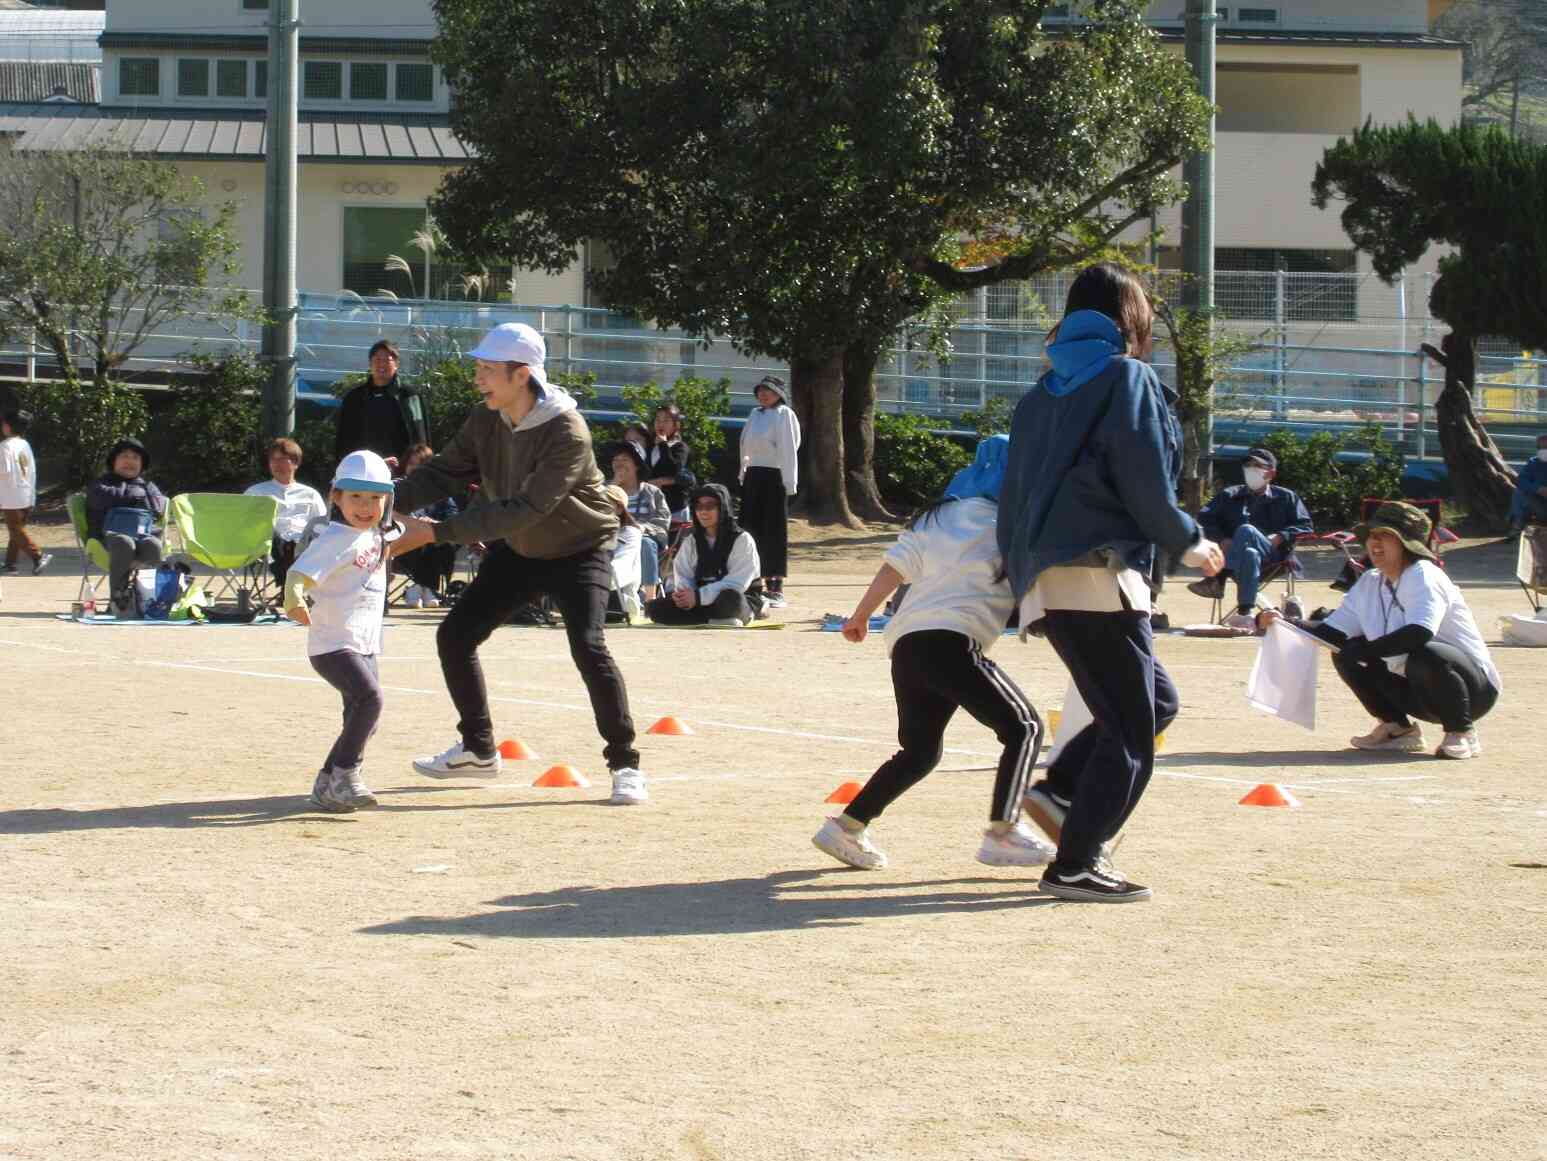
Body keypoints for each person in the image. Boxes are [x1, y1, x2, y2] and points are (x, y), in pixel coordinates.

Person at [999, 263, 1224, 904]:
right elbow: (1142, 475)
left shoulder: (1043, 392)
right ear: (1130, 317)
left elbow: (1014, 489)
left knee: (1155, 704)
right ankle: (1075, 862)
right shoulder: (1128, 377)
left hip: (1049, 574)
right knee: (1132, 730)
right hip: (1101, 571)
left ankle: (1063, 791)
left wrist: (1017, 572)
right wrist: (1187, 537)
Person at [391, 322, 648, 805]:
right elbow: (444, 473)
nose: (479, 378)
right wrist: (379, 502)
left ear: (522, 374)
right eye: (479, 369)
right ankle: (478, 748)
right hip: (522, 549)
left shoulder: (567, 431)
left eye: (488, 370)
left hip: (580, 548)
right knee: (455, 635)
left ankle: (625, 763)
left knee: (589, 647)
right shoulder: (485, 418)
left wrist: (434, 532)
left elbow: (529, 507)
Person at [813, 435, 1055, 871]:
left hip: (907, 645)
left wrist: (860, 615)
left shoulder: (934, 517)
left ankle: (847, 825)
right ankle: (1004, 831)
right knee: (1024, 727)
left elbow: (894, 567)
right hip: (953, 642)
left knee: (920, 752)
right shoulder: (1011, 523)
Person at [1259, 501, 1500, 760]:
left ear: (1406, 543)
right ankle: (1398, 729)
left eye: (1385, 536)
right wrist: (1282, 621)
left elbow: (1418, 633)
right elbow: (1333, 632)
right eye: (1372, 536)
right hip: (1419, 691)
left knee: (1425, 653)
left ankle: (1462, 732)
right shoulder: (1370, 581)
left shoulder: (1425, 575)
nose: (1374, 543)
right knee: (1343, 652)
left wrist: (1365, 650)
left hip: (1474, 692)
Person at [283, 450, 399, 812]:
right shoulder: (334, 537)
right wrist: (293, 599)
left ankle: (326, 783)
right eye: (355, 497)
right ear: (336, 497)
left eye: (375, 498)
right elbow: (298, 573)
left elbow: (403, 530)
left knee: (363, 719)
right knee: (371, 700)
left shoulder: (374, 534)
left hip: (364, 644)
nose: (365, 507)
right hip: (333, 644)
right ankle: (346, 777)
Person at [1190, 446, 1313, 627]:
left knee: (1246, 530)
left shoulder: (1287, 497)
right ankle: (1245, 613)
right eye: (1248, 465)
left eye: (1257, 465)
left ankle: (1218, 579)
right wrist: (1221, 538)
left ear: (1270, 473)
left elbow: (1306, 525)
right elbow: (1204, 519)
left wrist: (1281, 535)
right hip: (1239, 558)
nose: (1250, 469)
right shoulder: (1229, 495)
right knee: (1249, 553)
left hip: (1274, 555)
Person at [645, 484, 762, 626]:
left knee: (731, 600)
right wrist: (685, 596)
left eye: (710, 506)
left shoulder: (742, 539)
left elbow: (737, 583)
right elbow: (682, 574)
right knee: (655, 608)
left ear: (722, 508)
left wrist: (699, 597)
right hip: (697, 601)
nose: (703, 512)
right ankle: (714, 620)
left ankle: (725, 617)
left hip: (733, 598)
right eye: (699, 507)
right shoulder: (691, 541)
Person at [86, 437, 168, 618]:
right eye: (124, 456)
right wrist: (132, 495)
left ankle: (144, 598)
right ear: (114, 461)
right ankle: (118, 599)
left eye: (135, 458)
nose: (130, 461)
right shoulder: (101, 484)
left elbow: (159, 509)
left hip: (141, 535)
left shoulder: (148, 487)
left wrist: (141, 495)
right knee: (124, 542)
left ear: (142, 464)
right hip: (107, 538)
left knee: (154, 544)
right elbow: (98, 500)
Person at [738, 375, 801, 608]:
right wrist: (743, 472)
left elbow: (789, 449)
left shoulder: (785, 414)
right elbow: (745, 444)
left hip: (774, 476)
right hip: (753, 476)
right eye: (761, 391)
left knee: (773, 531)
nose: (763, 394)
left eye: (769, 391)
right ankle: (752, 584)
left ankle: (775, 587)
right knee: (749, 529)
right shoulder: (755, 414)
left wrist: (789, 481)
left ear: (779, 394)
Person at [244, 437, 327, 589]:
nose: (277, 464)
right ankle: (291, 587)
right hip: (269, 544)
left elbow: (322, 524)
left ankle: (289, 586)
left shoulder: (310, 494)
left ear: (295, 463)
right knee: (274, 537)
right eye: (273, 459)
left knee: (310, 542)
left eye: (283, 459)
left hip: (304, 543)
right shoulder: (255, 492)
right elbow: (244, 523)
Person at [333, 339, 429, 468]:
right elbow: (343, 438)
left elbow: (420, 438)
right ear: (370, 364)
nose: (381, 365)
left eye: (387, 360)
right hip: (363, 469)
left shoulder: (409, 396)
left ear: (396, 364)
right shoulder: (355, 397)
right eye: (377, 360)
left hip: (400, 470)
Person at [394, 441, 460, 608]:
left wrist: (435, 523)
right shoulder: (396, 488)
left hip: (436, 542)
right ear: (405, 466)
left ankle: (418, 588)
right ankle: (428, 588)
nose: (415, 469)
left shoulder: (441, 492)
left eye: (421, 465)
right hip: (404, 543)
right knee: (425, 538)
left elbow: (454, 519)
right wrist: (415, 523)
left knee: (436, 537)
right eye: (411, 464)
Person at [609, 442, 670, 600]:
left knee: (644, 543)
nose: (619, 463)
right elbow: (596, 512)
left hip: (645, 537)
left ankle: (650, 600)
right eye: (616, 459)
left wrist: (641, 528)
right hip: (613, 537)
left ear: (636, 466)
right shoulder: (606, 490)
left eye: (625, 459)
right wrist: (612, 487)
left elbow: (663, 520)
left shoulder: (652, 492)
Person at [1, 409, 51, 576]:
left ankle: (38, 556)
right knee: (17, 530)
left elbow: (3, 471)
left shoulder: (5, 446)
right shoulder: (24, 444)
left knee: (15, 530)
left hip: (11, 495)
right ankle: (10, 563)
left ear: (7, 426)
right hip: (27, 492)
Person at [604, 484, 646, 623]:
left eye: (605, 504)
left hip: (619, 598)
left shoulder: (630, 533)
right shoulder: (591, 531)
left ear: (620, 508)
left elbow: (620, 570)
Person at [645, 404, 694, 521]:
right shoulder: (650, 446)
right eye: (657, 419)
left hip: (674, 508)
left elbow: (674, 469)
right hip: (653, 506)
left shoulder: (680, 447)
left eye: (666, 420)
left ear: (675, 425)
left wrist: (663, 445)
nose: (660, 424)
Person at [1509, 432, 1547, 529]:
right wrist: (1537, 488)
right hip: (1541, 507)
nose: (1544, 451)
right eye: (1540, 448)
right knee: (1519, 492)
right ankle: (1518, 522)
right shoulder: (1533, 462)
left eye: (1546, 448)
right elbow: (1521, 480)